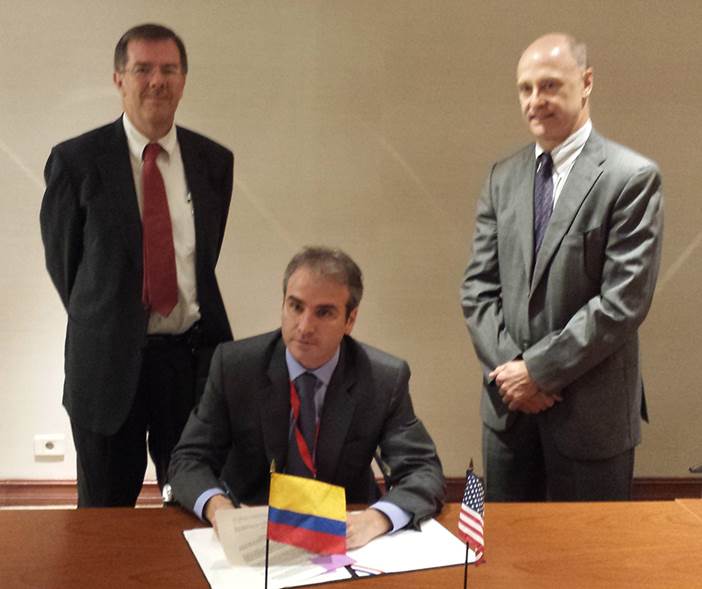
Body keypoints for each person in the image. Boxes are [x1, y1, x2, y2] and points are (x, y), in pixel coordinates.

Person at [460, 33, 663, 502]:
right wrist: (514, 370)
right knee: (509, 567)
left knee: (591, 564)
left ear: (587, 82)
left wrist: (539, 372)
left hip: (591, 417)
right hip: (509, 413)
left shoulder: (631, 178)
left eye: (549, 86)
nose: (535, 101)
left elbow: (622, 302)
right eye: (525, 89)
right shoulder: (502, 177)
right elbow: (477, 289)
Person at [40, 23, 234, 507]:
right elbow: (69, 271)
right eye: (143, 69)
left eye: (169, 69)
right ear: (118, 79)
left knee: (193, 506)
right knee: (104, 518)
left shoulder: (214, 162)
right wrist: (114, 318)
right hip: (106, 368)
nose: (157, 81)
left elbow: (201, 262)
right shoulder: (76, 162)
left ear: (184, 80)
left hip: (189, 366)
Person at [169, 246, 444, 549]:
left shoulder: (382, 379)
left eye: (324, 312)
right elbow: (189, 459)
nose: (304, 327)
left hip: (342, 530)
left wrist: (376, 519)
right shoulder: (236, 366)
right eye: (296, 307)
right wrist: (219, 509)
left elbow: (422, 470)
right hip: (253, 527)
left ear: (350, 320)